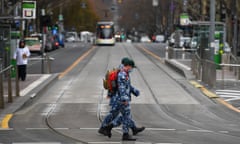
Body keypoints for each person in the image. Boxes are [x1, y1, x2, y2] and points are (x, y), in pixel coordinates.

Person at [99, 58, 144, 141]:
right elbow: (122, 88)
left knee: (124, 116)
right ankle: (123, 133)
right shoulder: (122, 74)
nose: (132, 69)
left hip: (119, 99)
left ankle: (110, 127)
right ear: (128, 66)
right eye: (131, 67)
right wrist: (125, 99)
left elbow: (127, 86)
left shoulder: (124, 73)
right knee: (124, 116)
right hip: (120, 99)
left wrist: (135, 91)